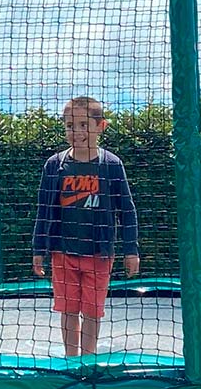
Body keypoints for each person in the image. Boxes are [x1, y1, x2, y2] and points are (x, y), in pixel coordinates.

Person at [32, 96, 140, 357]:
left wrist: (131, 250)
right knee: (68, 310)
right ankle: (72, 361)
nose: (76, 132)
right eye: (70, 125)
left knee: (92, 311)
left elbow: (126, 209)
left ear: (100, 126)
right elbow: (44, 210)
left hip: (99, 253)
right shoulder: (55, 165)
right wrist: (39, 249)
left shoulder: (111, 165)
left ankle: (88, 362)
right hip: (63, 252)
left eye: (83, 125)